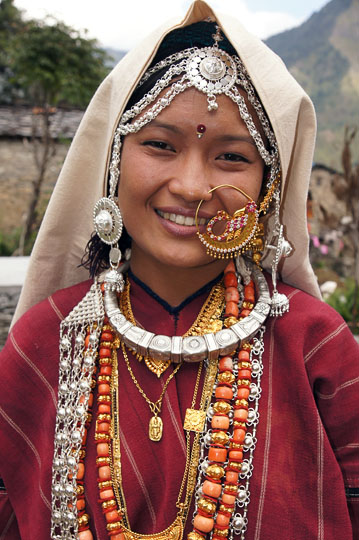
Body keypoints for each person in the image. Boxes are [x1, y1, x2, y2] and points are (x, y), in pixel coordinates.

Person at [0, 1, 358, 539]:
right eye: (161, 145)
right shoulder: (43, 341)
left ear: (268, 191)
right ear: (114, 160)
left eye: (232, 157)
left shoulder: (315, 346)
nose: (192, 186)